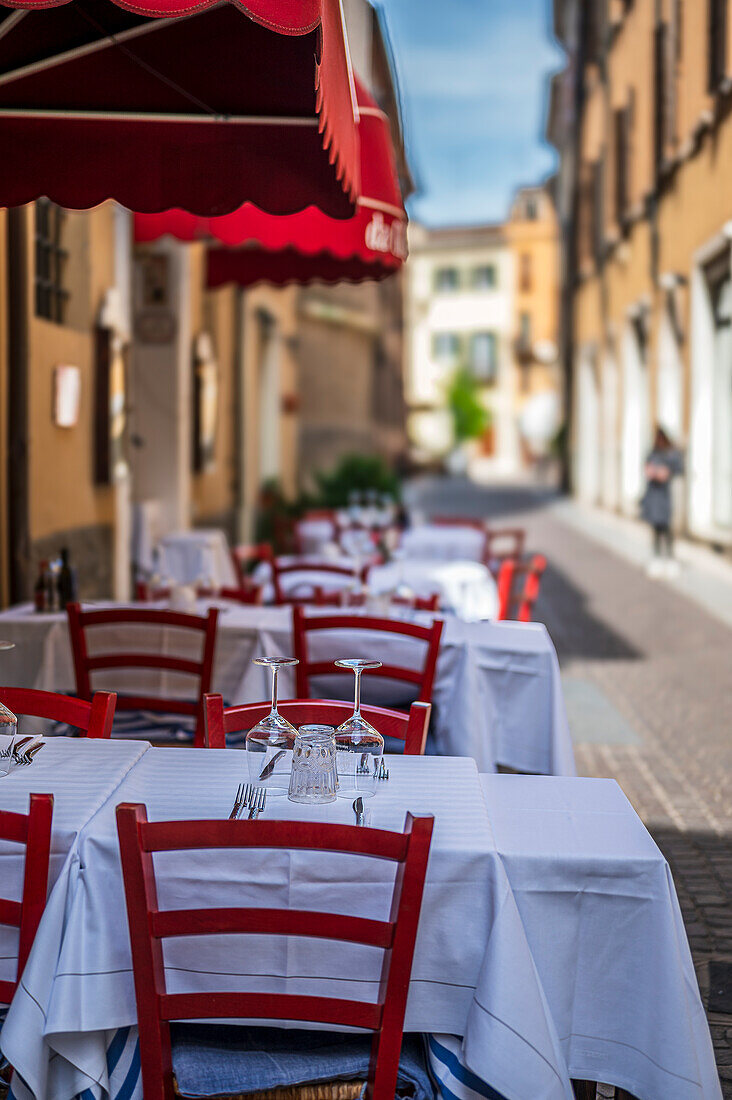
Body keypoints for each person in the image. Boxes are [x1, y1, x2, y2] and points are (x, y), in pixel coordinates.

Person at [641, 426, 684, 577]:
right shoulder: (653, 453)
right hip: (653, 496)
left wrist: (663, 473)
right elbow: (646, 468)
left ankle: (670, 559)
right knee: (656, 528)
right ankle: (657, 558)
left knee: (666, 528)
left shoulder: (671, 454)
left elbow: (675, 471)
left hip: (665, 496)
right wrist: (652, 472)